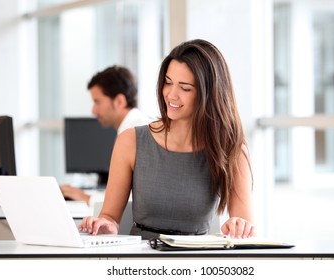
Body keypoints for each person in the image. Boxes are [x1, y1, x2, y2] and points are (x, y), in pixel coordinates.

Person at [79, 39, 255, 240]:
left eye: (185, 88)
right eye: (168, 82)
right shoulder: (131, 141)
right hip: (140, 261)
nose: (171, 94)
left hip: (197, 262)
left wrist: (239, 226)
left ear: (210, 94)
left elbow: (244, 224)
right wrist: (105, 224)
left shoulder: (232, 149)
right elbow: (109, 217)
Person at [61, 65, 151, 206]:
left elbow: (132, 199)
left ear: (119, 101)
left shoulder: (135, 132)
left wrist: (86, 198)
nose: (93, 110)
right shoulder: (132, 126)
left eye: (97, 102)